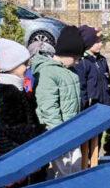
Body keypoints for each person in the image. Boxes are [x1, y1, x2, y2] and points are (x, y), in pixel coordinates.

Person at [0, 38, 44, 188]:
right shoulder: (8, 93)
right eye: (24, 64)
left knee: (24, 187)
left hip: (20, 149)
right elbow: (11, 127)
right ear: (12, 67)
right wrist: (35, 131)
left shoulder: (17, 87)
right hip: (11, 151)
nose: (27, 67)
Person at [32, 25, 83, 178]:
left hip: (71, 130)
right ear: (66, 53)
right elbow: (48, 107)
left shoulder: (68, 71)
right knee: (63, 172)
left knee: (75, 167)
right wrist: (59, 133)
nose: (78, 62)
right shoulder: (49, 72)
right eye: (76, 58)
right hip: (59, 133)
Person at [74, 25, 110, 109]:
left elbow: (108, 84)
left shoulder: (102, 60)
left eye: (100, 41)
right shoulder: (82, 63)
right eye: (97, 42)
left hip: (107, 104)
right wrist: (85, 107)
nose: (101, 44)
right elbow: (82, 89)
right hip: (92, 108)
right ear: (88, 43)